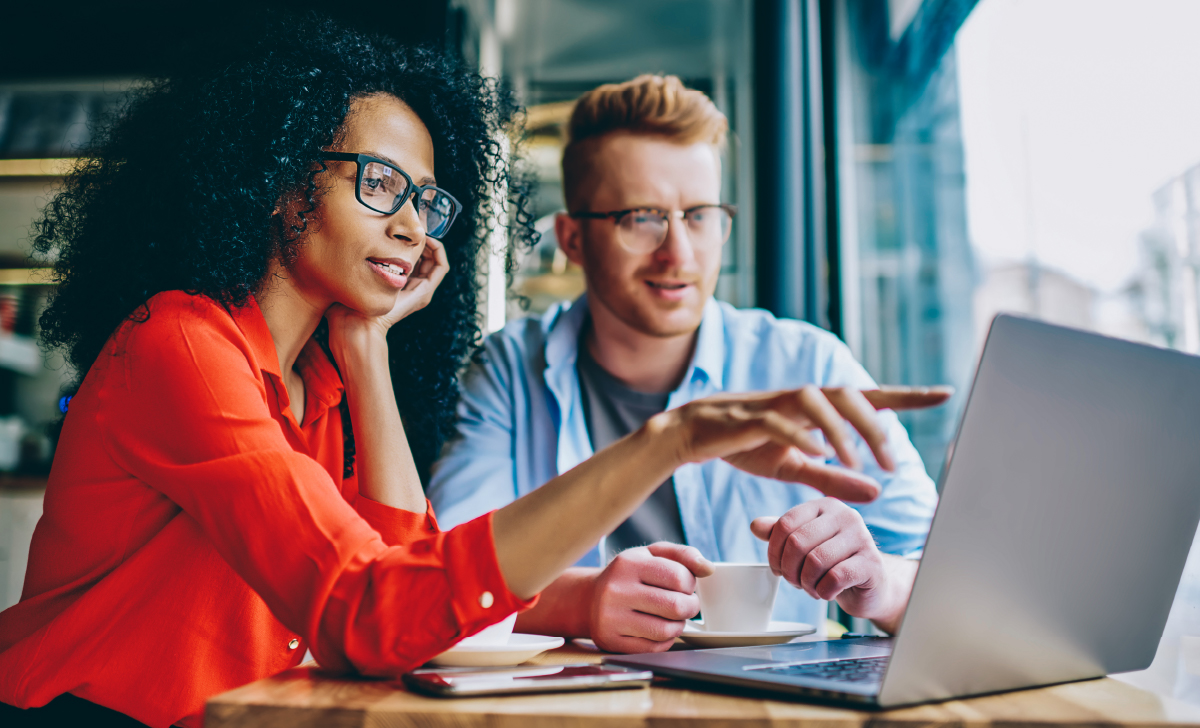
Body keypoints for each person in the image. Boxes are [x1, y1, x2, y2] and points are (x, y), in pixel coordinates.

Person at [0, 20, 943, 728]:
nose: (412, 225)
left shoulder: (317, 384)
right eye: (378, 184)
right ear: (280, 185)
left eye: (425, 198)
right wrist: (673, 439)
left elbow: (403, 588)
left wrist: (365, 353)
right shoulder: (182, 346)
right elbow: (376, 613)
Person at [427, 74, 946, 653]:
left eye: (699, 215)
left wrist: (879, 584)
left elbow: (952, 575)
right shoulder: (509, 369)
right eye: (641, 218)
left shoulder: (807, 363)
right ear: (572, 239)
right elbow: (443, 575)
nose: (679, 252)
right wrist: (584, 600)